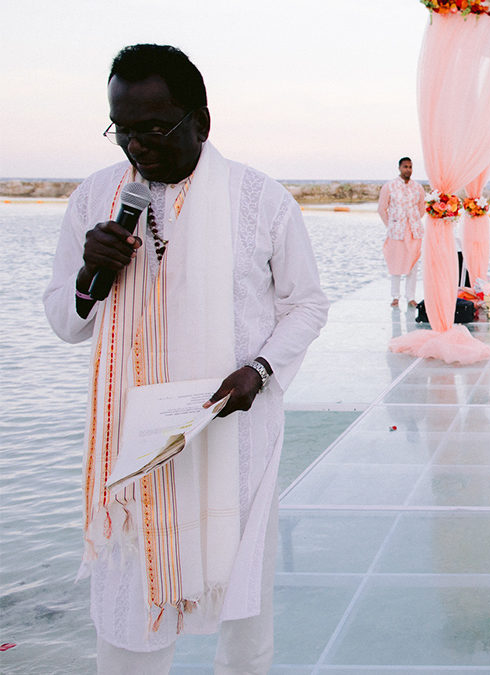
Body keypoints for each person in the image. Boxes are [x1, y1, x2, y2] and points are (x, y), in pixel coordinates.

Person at [43, 44, 329, 673]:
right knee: (128, 603)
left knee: (243, 617)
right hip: (135, 445)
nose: (137, 147)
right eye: (123, 130)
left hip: (235, 433)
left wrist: (260, 369)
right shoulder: (96, 199)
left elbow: (306, 305)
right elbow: (66, 324)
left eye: (154, 128)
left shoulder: (261, 200)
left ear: (202, 119)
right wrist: (93, 271)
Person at [377, 156, 425, 307]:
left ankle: (410, 297)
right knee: (395, 263)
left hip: (414, 231)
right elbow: (382, 208)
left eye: (410, 167)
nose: (408, 170)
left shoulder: (418, 187)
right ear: (399, 168)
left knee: (413, 264)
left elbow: (422, 208)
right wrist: (391, 224)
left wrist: (414, 221)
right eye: (405, 167)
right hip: (396, 232)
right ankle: (395, 296)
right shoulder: (389, 187)